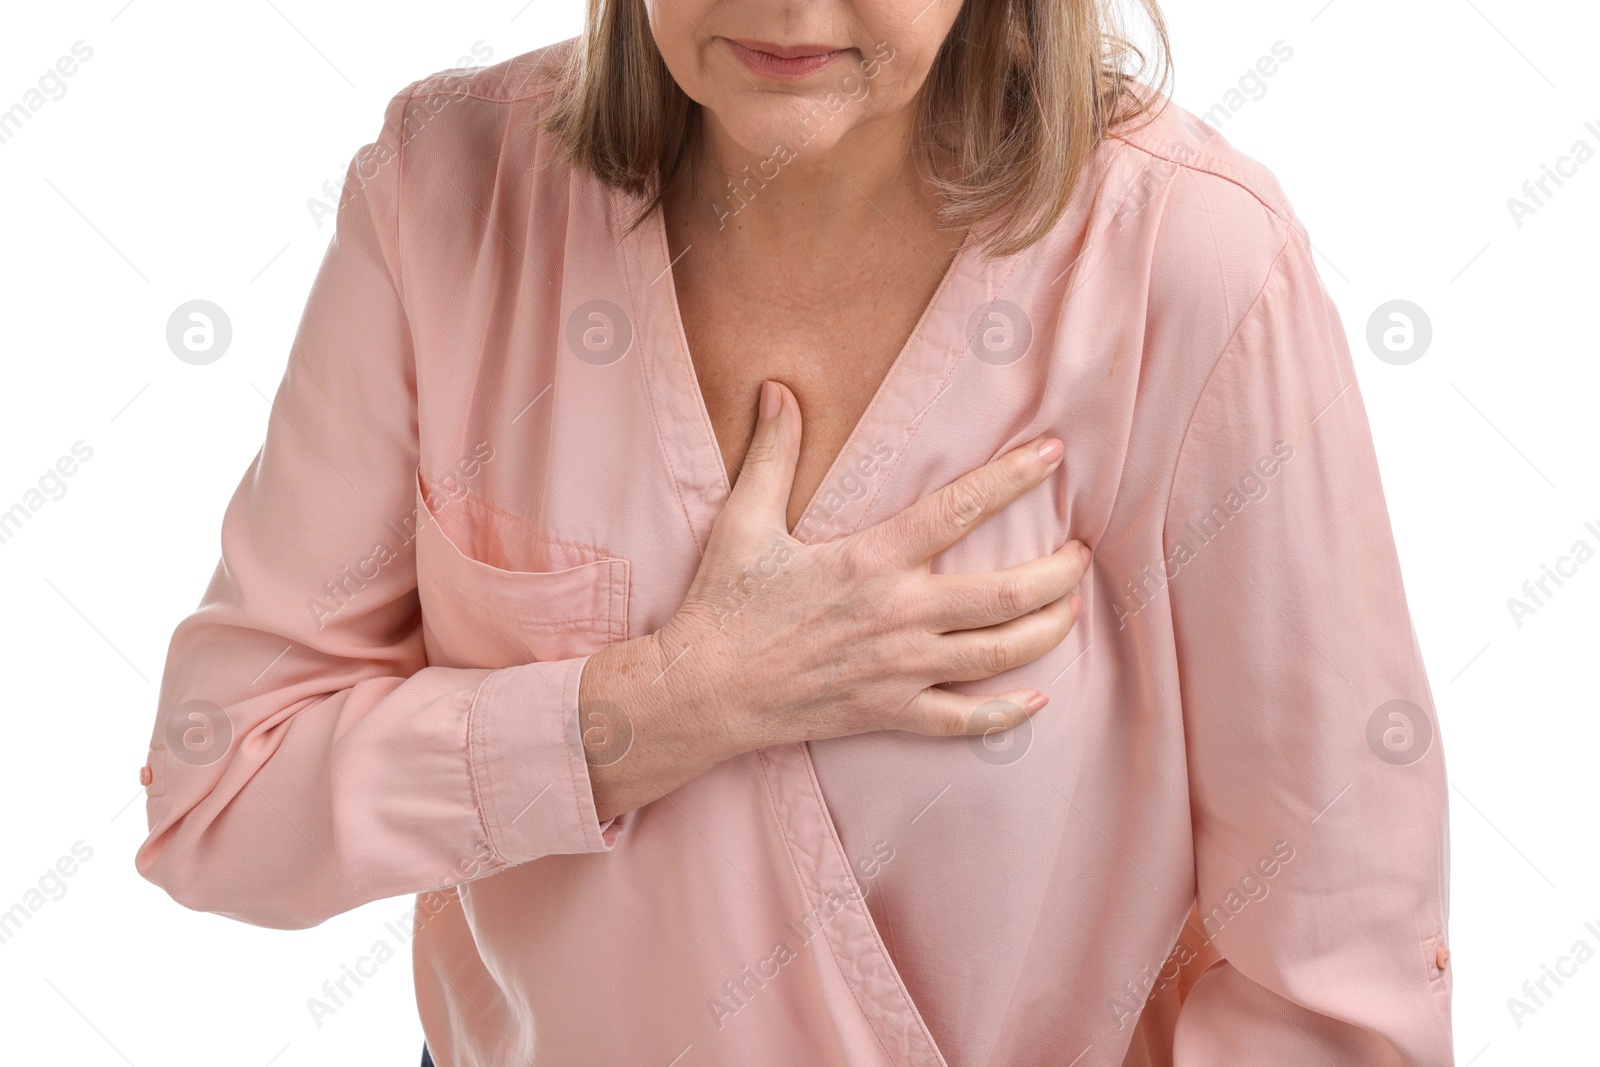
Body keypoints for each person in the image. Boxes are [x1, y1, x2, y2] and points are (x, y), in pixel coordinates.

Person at [134, 1, 1455, 1064]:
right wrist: (661, 705)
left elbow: (1339, 975)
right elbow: (222, 802)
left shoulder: (1196, 263)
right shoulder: (443, 200)